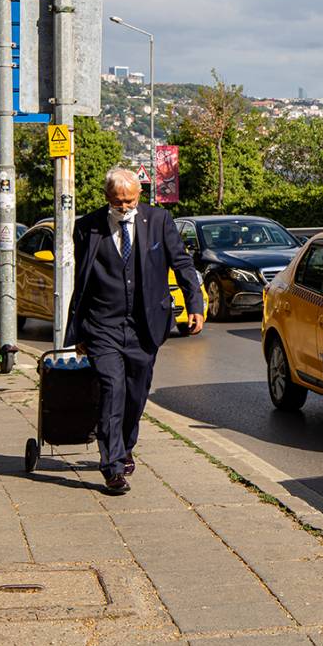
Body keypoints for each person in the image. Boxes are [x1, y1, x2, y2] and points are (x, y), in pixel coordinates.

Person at [65, 168, 204, 494]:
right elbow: (82, 279)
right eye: (118, 202)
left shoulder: (159, 221)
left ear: (139, 195)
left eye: (129, 201)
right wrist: (80, 331)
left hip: (145, 324)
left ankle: (126, 445)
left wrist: (194, 304)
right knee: (111, 389)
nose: (124, 207)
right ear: (107, 198)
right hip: (103, 326)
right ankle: (112, 466)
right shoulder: (87, 227)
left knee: (136, 394)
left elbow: (182, 263)